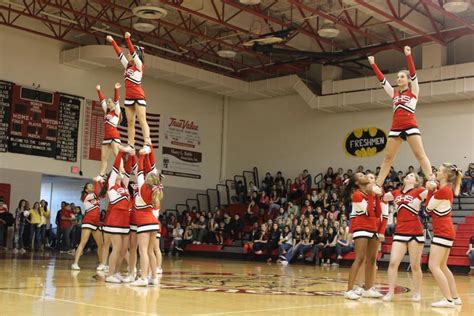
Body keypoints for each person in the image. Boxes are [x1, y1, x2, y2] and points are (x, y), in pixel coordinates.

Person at [368, 46, 434, 188]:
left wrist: (408, 56)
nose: (399, 79)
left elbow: (413, 73)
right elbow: (382, 81)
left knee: (420, 155)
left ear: (408, 80)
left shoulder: (414, 91)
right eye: (397, 77)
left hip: (411, 126)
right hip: (395, 129)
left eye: (402, 76)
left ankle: (431, 179)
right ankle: (378, 184)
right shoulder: (394, 93)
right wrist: (373, 64)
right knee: (388, 158)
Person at [382, 173, 427, 302]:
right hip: (400, 230)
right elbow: (383, 197)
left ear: (416, 181)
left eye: (412, 175)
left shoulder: (419, 191)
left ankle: (417, 292)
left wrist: (432, 183)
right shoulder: (395, 193)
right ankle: (390, 292)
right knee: (393, 262)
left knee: (415, 265)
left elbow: (431, 192)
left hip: (415, 230)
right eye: (407, 175)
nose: (408, 176)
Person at [425, 163, 462, 308]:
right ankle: (455, 297)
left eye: (439, 170)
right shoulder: (446, 189)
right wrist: (433, 187)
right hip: (446, 230)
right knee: (443, 266)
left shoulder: (443, 191)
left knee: (433, 265)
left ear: (445, 175)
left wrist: (429, 191)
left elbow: (427, 209)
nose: (436, 172)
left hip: (443, 231)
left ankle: (447, 300)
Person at [107, 32, 150, 151]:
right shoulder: (127, 66)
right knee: (130, 122)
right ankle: (131, 144)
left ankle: (147, 143)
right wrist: (112, 42)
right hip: (128, 97)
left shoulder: (139, 65)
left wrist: (128, 40)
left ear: (135, 54)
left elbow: (131, 51)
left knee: (142, 120)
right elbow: (119, 54)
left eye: (130, 53)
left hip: (139, 96)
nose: (128, 54)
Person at [344, 173, 383, 300]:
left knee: (372, 260)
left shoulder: (369, 194)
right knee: (359, 258)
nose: (364, 175)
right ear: (357, 182)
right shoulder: (357, 195)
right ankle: (349, 290)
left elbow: (378, 213)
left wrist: (376, 196)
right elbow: (368, 211)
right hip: (361, 229)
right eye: (361, 176)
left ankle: (368, 289)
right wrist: (372, 194)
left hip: (373, 229)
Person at [130, 146, 162, 286]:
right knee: (150, 251)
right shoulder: (155, 193)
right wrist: (147, 154)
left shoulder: (143, 188)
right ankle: (154, 278)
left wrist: (142, 156)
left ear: (148, 180)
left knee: (142, 251)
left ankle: (143, 278)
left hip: (144, 223)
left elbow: (140, 171)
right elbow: (145, 171)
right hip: (154, 223)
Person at [102, 150, 131, 283]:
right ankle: (110, 274)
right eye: (119, 172)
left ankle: (117, 272)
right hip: (115, 220)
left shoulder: (124, 186)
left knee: (124, 249)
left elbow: (127, 170)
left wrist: (131, 156)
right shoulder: (111, 186)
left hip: (125, 220)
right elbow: (115, 168)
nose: (121, 173)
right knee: (116, 248)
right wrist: (119, 152)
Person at [71, 177, 107, 271]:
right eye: (90, 186)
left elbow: (103, 193)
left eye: (92, 185)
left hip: (96, 222)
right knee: (83, 242)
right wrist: (97, 180)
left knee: (101, 244)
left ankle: (102, 264)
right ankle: (75, 263)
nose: (92, 187)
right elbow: (97, 193)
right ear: (86, 189)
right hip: (88, 221)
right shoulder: (85, 196)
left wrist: (103, 182)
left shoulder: (97, 196)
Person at [97, 83, 122, 176]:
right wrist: (99, 90)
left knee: (117, 155)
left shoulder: (117, 111)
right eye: (108, 102)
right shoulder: (106, 111)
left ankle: (122, 171)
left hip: (114, 136)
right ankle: (101, 174)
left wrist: (116, 89)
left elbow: (116, 100)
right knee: (103, 157)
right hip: (106, 138)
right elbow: (102, 100)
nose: (108, 103)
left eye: (109, 102)